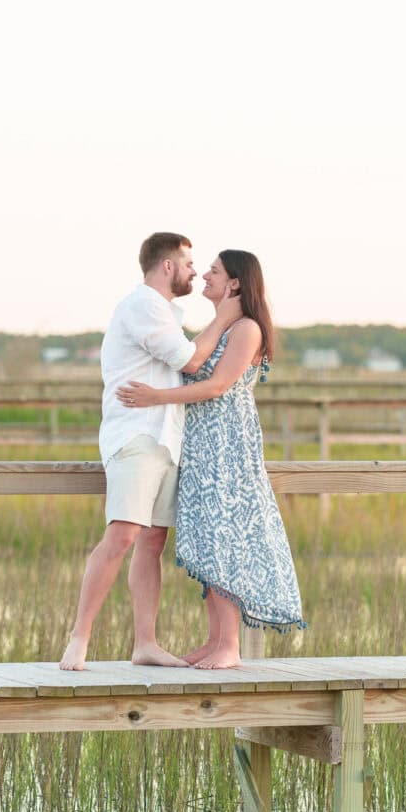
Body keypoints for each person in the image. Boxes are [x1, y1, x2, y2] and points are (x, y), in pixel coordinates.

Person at [58, 233, 242, 672]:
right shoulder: (142, 305)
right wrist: (225, 317)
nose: (195, 271)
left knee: (153, 541)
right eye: (188, 263)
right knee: (122, 535)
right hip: (135, 440)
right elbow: (190, 362)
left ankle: (146, 643)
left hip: (165, 440)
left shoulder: (161, 312)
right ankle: (78, 639)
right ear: (166, 266)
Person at [116, 250, 306, 669]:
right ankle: (215, 639)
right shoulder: (220, 326)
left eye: (215, 271)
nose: (204, 274)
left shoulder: (247, 329)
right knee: (206, 541)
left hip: (227, 446)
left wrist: (157, 397)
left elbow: (218, 385)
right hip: (201, 447)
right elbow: (190, 360)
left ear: (235, 283)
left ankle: (230, 645)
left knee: (224, 540)